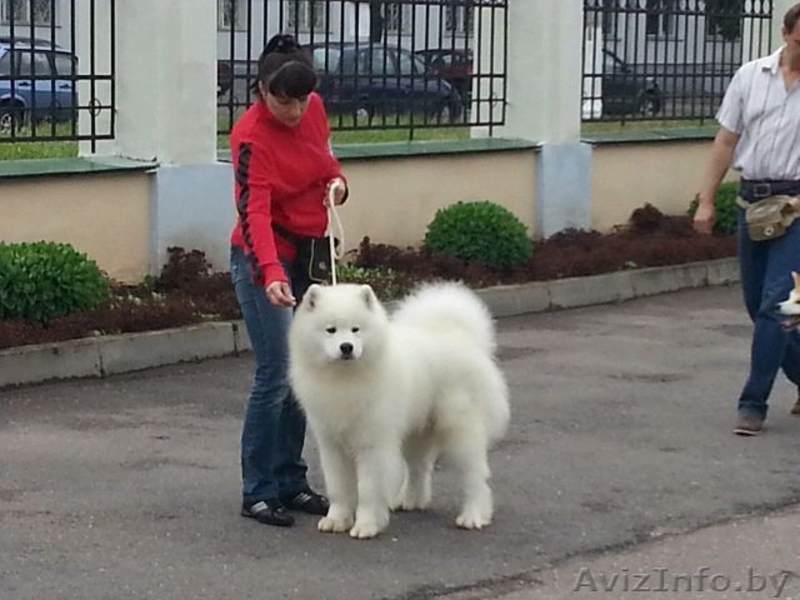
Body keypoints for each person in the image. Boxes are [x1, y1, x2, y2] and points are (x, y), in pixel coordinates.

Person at [229, 33, 348, 525]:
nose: (295, 111)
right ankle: (257, 490)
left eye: (301, 100)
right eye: (284, 101)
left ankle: (291, 481)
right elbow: (253, 211)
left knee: (304, 375)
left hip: (309, 253)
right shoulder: (250, 135)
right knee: (276, 373)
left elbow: (326, 161)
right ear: (260, 90)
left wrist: (339, 184)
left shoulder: (313, 109)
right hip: (262, 257)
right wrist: (272, 274)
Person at [693, 2, 800, 436]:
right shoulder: (750, 77)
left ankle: (752, 403)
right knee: (761, 308)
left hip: (797, 206)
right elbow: (726, 140)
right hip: (751, 203)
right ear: (785, 33)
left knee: (778, 304)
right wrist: (707, 200)